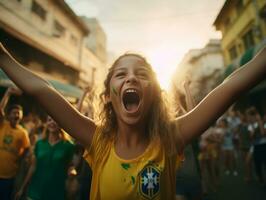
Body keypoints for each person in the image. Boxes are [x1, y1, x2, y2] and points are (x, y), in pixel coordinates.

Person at [0, 42, 265, 199]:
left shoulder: (170, 137)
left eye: (142, 73)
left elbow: (231, 86)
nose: (131, 78)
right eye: (121, 74)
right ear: (107, 97)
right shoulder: (98, 139)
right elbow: (41, 89)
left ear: (155, 95)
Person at [15, 116, 75, 200]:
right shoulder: (40, 144)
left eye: (56, 120)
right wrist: (23, 188)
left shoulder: (69, 146)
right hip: (35, 191)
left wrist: (72, 172)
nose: (52, 123)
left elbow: (72, 167)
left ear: (61, 124)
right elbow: (33, 166)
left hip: (56, 193)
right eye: (49, 120)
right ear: (46, 123)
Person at [0, 87, 30, 200]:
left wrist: (20, 157)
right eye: (14, 113)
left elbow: (27, 149)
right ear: (8, 115)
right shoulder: (3, 125)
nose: (17, 115)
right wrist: (8, 93)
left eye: (19, 114)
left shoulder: (23, 133)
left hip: (9, 177)